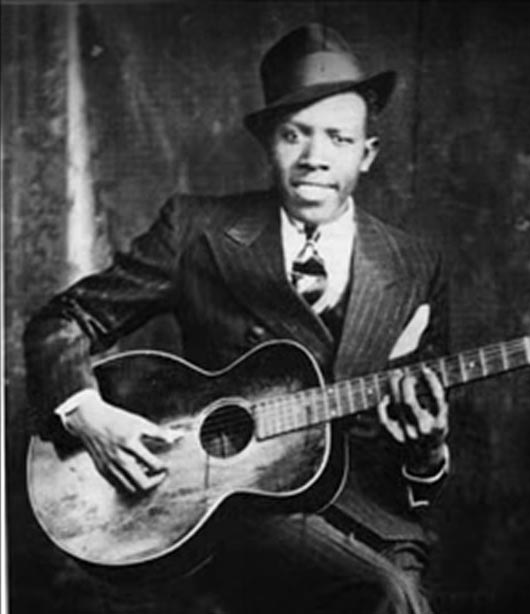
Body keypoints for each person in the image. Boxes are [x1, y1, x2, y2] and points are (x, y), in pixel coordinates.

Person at [24, 23, 450, 614]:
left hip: (375, 516)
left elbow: (428, 452)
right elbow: (59, 322)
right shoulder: (195, 231)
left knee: (394, 587)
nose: (315, 158)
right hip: (235, 509)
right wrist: (89, 414)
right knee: (383, 594)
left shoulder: (414, 264)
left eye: (338, 138)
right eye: (293, 135)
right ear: (267, 143)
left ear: (368, 152)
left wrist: (427, 452)